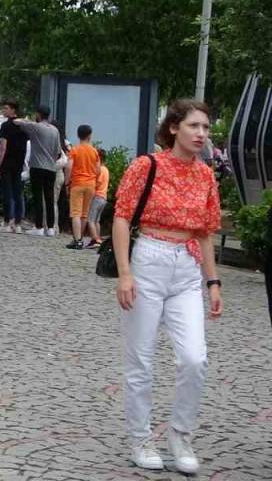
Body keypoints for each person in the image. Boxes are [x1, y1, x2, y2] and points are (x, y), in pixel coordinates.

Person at [113, 99, 222, 475]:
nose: (201, 134)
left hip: (187, 268)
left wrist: (212, 281)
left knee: (194, 358)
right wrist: (125, 273)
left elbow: (205, 232)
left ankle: (180, 436)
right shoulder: (147, 166)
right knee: (140, 359)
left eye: (205, 128)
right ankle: (141, 439)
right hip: (149, 259)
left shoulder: (205, 175)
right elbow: (122, 218)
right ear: (174, 128)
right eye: (194, 126)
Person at [17, 107, 64, 237]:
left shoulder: (35, 127)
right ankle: (51, 228)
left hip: (37, 166)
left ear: (38, 114)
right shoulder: (55, 130)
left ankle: (39, 227)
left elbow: (18, 122)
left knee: (38, 196)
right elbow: (58, 152)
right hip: (51, 168)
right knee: (50, 198)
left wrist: (26, 120)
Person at [66, 124, 101, 249]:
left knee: (76, 213)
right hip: (90, 185)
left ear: (78, 135)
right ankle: (79, 237)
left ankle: (77, 240)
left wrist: (67, 182)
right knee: (84, 214)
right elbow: (98, 169)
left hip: (77, 184)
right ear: (89, 136)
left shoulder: (75, 150)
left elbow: (69, 167)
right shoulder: (94, 151)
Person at [0, 102, 29, 233]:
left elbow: (3, 147)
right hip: (19, 162)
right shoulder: (24, 125)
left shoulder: (5, 126)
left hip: (7, 162)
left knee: (7, 193)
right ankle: (17, 223)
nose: (4, 110)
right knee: (18, 193)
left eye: (6, 108)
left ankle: (7, 222)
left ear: (13, 110)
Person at [85, 149, 110, 247]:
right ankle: (98, 238)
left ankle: (95, 240)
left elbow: (97, 183)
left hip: (97, 196)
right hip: (103, 197)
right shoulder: (106, 170)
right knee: (96, 220)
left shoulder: (100, 170)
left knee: (90, 219)